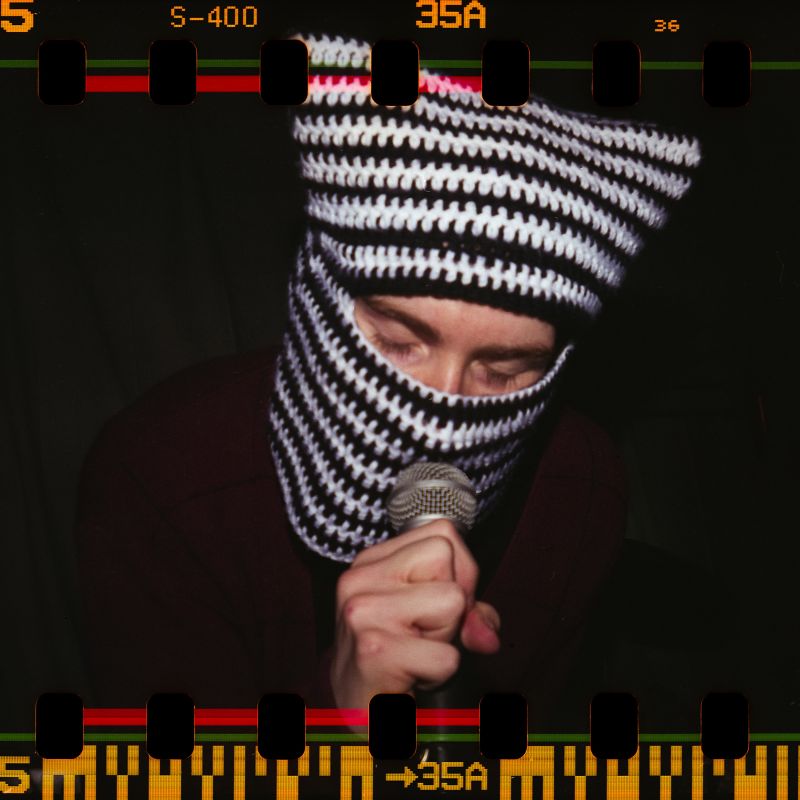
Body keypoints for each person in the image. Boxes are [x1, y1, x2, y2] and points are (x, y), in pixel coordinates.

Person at [74, 33, 701, 726]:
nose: (442, 415)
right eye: (399, 341)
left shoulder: (580, 486)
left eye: (505, 369)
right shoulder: (162, 472)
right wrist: (338, 715)